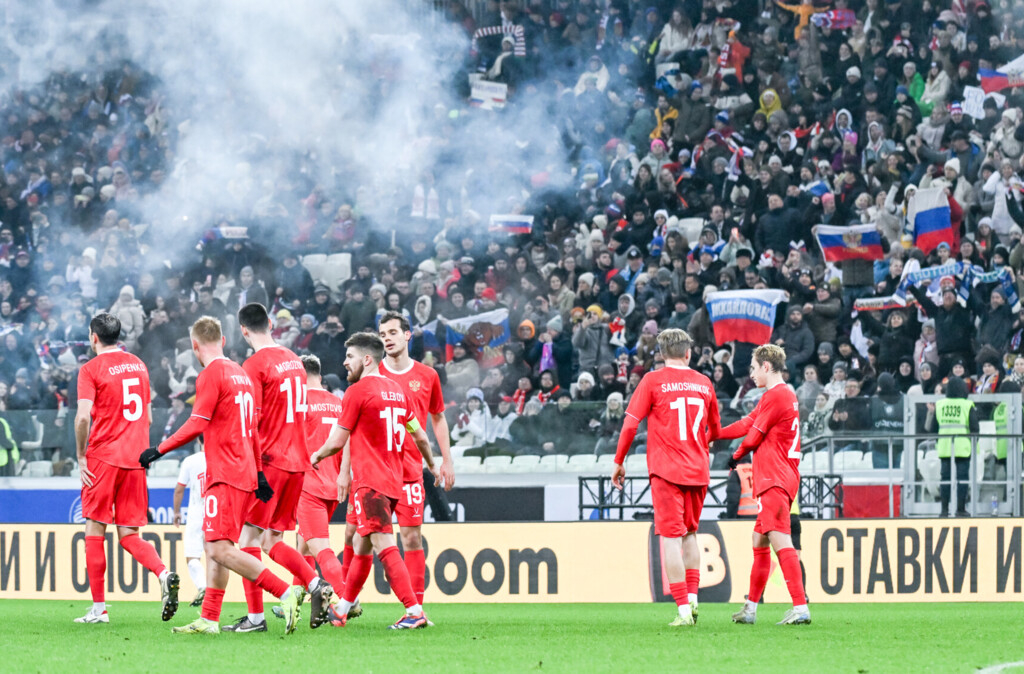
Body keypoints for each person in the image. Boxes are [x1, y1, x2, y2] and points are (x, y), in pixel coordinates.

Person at [141, 316, 304, 635]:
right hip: (244, 472)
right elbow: (253, 429)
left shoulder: (211, 374)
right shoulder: (240, 373)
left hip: (225, 473)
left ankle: (285, 593)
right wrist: (258, 474)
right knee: (216, 544)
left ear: (195, 346)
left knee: (219, 549)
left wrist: (158, 449)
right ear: (224, 341)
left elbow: (197, 423)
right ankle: (209, 618)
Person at [311, 333, 440, 629]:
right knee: (362, 544)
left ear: (367, 359)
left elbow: (337, 441)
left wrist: (314, 456)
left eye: (350, 357)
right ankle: (343, 608)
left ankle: (414, 611)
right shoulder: (398, 391)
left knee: (383, 543)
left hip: (371, 482)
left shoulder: (357, 392)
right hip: (394, 481)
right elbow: (420, 435)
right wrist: (432, 465)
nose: (345, 362)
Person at [74, 312, 180, 625]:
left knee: (95, 529)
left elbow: (82, 417)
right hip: (136, 460)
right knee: (129, 534)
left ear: (94, 337)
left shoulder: (90, 369)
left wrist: (80, 455)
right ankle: (163, 573)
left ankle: (99, 610)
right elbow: (148, 417)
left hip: (103, 458)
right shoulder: (138, 365)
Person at [611, 329, 721, 627]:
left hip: (667, 471)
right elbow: (715, 429)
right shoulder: (704, 382)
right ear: (688, 353)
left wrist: (619, 461)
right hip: (698, 470)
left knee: (671, 539)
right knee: (690, 534)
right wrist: (702, 447)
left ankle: (683, 611)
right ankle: (694, 600)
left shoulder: (652, 380)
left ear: (661, 354)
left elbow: (630, 424)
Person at [235, 303, 331, 632]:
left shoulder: (254, 365)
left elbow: (252, 422)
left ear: (243, 330)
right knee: (272, 539)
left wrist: (255, 471)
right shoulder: (293, 359)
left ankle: (256, 618)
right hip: (297, 463)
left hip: (270, 462)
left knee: (248, 536)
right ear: (271, 323)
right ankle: (316, 584)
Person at [719, 344, 810, 625]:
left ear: (766, 367)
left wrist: (734, 457)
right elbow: (747, 423)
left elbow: (753, 436)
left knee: (781, 541)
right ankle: (750, 608)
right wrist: (714, 434)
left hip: (774, 478)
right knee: (759, 540)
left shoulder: (777, 395)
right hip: (779, 476)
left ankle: (800, 607)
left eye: (754, 367)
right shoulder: (782, 395)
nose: (751, 373)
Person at [378, 311, 456, 609]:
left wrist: (446, 460)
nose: (387, 339)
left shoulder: (427, 375)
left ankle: (416, 610)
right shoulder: (372, 374)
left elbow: (438, 418)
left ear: (407, 335)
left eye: (393, 332)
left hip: (411, 469)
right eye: (382, 334)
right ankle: (347, 604)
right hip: (376, 470)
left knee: (411, 538)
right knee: (359, 538)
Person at [931, 376, 978, 517]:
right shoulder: (967, 405)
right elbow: (975, 428)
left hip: (945, 447)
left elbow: (933, 429)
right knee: (962, 479)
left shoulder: (940, 404)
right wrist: (974, 444)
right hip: (963, 448)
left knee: (945, 479)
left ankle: (944, 510)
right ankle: (961, 509)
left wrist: (939, 442)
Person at [174, 446, 207, 606]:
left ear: (198, 440)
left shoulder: (190, 461)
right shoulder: (223, 456)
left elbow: (179, 489)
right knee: (216, 555)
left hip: (196, 514)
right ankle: (214, 594)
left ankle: (202, 586)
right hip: (217, 512)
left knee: (192, 556)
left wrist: (176, 512)